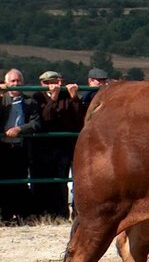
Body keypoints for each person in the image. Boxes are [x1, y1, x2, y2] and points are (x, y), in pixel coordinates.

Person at [32, 70, 86, 219]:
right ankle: (56, 214)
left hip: (69, 143)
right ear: (44, 84)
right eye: (55, 82)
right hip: (47, 146)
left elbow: (79, 117)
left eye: (60, 81)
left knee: (74, 180)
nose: (59, 85)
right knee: (53, 182)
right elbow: (46, 118)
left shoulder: (67, 95)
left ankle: (76, 213)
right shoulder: (38, 96)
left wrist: (75, 98)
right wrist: (53, 98)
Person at [1, 69, 41, 223]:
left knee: (21, 181)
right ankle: (5, 215)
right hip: (2, 148)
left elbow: (36, 123)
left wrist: (19, 129)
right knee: (3, 182)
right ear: (6, 83)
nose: (15, 84)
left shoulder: (30, 102)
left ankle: (21, 215)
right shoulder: (2, 100)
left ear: (23, 83)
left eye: (18, 81)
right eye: (12, 81)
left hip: (21, 147)